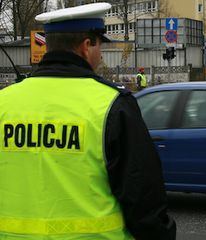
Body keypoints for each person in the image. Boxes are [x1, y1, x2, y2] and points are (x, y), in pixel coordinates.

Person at [0, 3, 175, 240]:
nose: (100, 54)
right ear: (86, 46)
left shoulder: (4, 102)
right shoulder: (113, 104)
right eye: (100, 45)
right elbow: (143, 199)